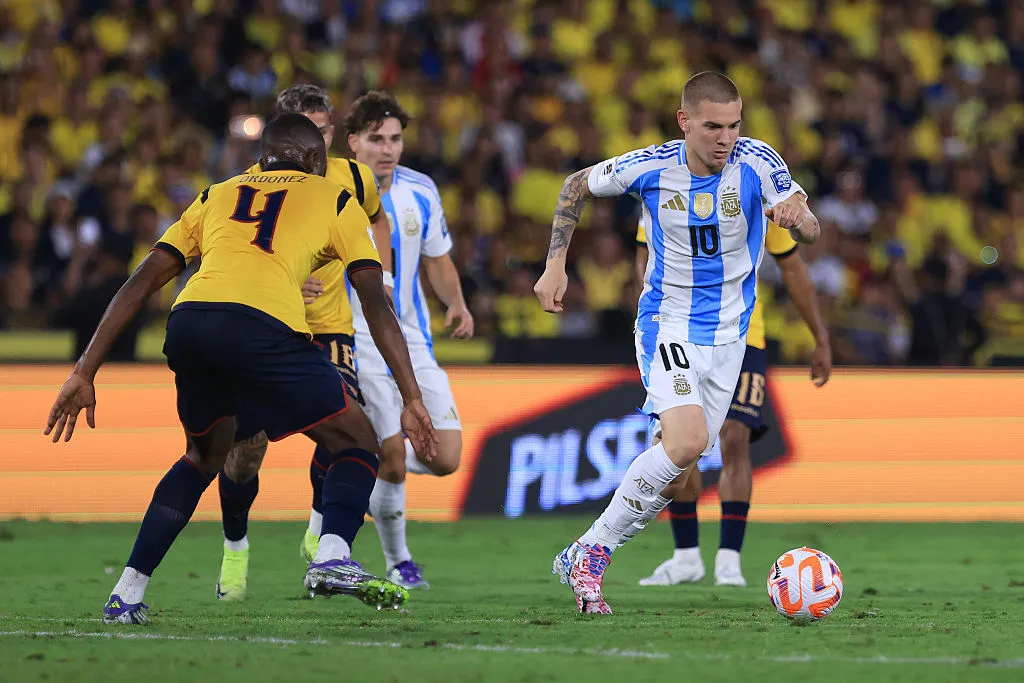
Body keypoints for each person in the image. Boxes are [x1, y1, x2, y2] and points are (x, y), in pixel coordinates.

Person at [44, 113, 437, 624]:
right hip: (262, 328)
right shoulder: (333, 196)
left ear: (262, 156)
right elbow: (375, 302)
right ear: (316, 161)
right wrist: (411, 397)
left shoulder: (217, 193)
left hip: (189, 323)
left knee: (201, 458)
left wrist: (84, 370)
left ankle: (126, 594)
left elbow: (143, 280)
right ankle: (332, 556)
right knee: (356, 440)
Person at [534, 72, 821, 614]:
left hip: (731, 338)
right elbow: (575, 184)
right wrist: (555, 265)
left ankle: (587, 550)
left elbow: (810, 226)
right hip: (669, 325)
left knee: (680, 469)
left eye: (734, 125)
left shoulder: (759, 161)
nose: (725, 138)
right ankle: (594, 553)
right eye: (712, 126)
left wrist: (797, 217)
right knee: (687, 442)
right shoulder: (650, 166)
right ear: (684, 121)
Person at [214, 84, 395, 602]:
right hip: (268, 325)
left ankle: (321, 532)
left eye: (319, 132)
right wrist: (287, 279)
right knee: (245, 453)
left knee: (349, 425)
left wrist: (376, 277)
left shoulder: (354, 178)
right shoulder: (250, 184)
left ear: (330, 135)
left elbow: (375, 222)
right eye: (300, 131)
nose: (308, 145)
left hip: (329, 326)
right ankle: (235, 545)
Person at [300, 91, 473, 589]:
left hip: (411, 339)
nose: (388, 149)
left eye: (395, 138)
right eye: (376, 139)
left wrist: (455, 302)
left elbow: (437, 258)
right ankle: (399, 560)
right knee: (391, 453)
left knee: (445, 457)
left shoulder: (422, 190)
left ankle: (353, 465)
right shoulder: (327, 189)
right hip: (355, 338)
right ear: (352, 142)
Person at [634, 219, 832, 588]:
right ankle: (686, 556)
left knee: (735, 436)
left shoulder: (755, 192)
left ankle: (729, 560)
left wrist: (819, 336)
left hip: (742, 334)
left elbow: (792, 266)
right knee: (681, 444)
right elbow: (643, 260)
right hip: (679, 332)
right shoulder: (663, 186)